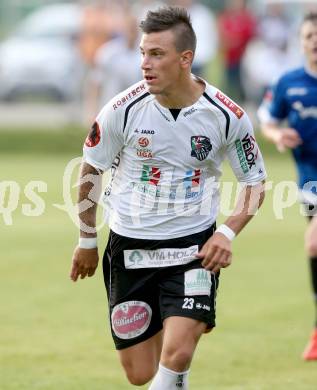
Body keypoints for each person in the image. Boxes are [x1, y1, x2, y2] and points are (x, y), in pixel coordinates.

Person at [70, 6, 266, 389]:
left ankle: (180, 342)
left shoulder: (226, 115)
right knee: (140, 373)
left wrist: (226, 233)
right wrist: (87, 240)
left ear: (185, 58)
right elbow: (91, 170)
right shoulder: (121, 111)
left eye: (156, 54)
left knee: (177, 353)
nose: (145, 63)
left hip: (192, 248)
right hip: (130, 247)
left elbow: (255, 182)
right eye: (143, 52)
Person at [258, 12, 317, 361]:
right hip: (308, 179)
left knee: (313, 244)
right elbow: (267, 120)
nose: (314, 41)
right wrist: (279, 134)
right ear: (301, 41)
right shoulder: (288, 83)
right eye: (309, 35)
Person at [218, 0, 257, 102]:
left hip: (244, 58)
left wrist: (235, 40)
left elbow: (250, 36)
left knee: (243, 85)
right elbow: (223, 37)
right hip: (230, 58)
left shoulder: (247, 18)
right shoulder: (226, 17)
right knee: (230, 84)